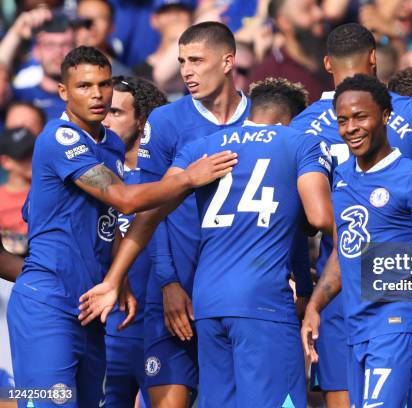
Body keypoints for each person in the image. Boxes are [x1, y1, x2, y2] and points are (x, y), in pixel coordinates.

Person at [80, 77, 334, 408]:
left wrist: (114, 278)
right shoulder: (299, 142)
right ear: (289, 120)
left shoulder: (203, 147)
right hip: (263, 299)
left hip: (208, 301)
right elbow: (318, 219)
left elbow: (151, 214)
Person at [6, 45, 236, 408]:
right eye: (84, 86)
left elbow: (105, 222)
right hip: (48, 307)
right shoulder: (59, 139)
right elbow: (123, 200)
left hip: (89, 308)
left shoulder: (109, 143)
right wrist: (188, 178)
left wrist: (120, 277)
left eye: (104, 84)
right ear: (63, 92)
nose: (97, 95)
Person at [289, 23, 412, 408]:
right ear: (373, 57)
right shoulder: (409, 112)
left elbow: (315, 216)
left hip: (347, 284)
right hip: (394, 283)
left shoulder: (303, 125)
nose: (352, 128)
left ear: (326, 63)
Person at [301, 74, 412, 408]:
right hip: (357, 327)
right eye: (343, 120)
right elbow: (345, 250)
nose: (351, 128)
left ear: (386, 116)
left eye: (361, 117)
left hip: (399, 324)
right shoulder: (343, 177)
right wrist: (315, 305)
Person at [133, 22, 249, 407]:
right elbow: (150, 205)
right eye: (182, 61)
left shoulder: (264, 120)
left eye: (196, 60)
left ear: (228, 60)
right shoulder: (166, 122)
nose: (186, 70)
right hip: (175, 289)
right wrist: (167, 282)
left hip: (238, 293)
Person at [101, 75, 168, 408]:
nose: (105, 119)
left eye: (115, 112)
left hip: (161, 329)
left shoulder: (167, 180)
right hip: (110, 330)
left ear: (142, 121)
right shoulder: (93, 175)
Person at [250, 0, 333, 103]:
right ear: (284, 22)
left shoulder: (337, 54)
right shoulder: (270, 76)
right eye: (307, 10)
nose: (319, 13)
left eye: (318, 5)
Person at [12, 13, 75, 121]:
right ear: (36, 51)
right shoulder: (19, 97)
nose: (58, 52)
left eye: (65, 44)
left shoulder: (86, 99)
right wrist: (15, 33)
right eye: (50, 45)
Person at [0, 128, 35, 256]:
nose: (32, 159)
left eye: (33, 151)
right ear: (6, 162)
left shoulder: (54, 188)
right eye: (24, 155)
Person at [75, 0, 132, 77]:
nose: (92, 25)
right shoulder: (57, 68)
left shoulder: (122, 77)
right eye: (85, 19)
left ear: (112, 26)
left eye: (100, 18)